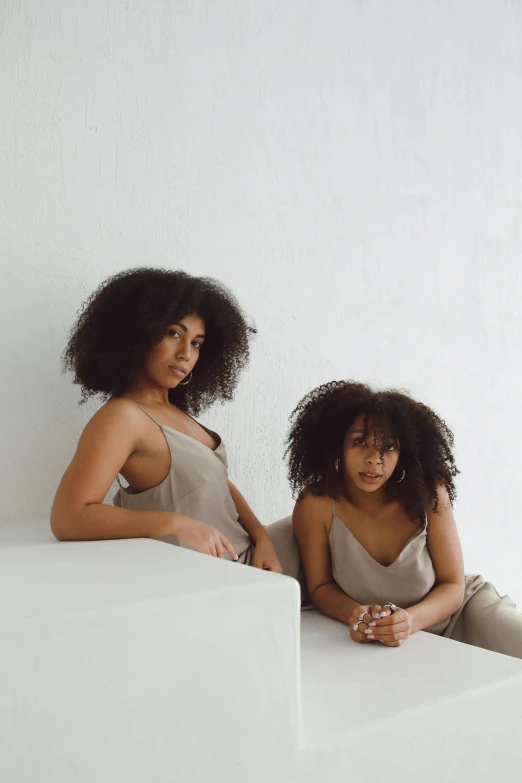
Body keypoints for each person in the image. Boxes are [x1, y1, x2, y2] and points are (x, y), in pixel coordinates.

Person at [51, 267, 287, 573]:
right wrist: (173, 523)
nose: (185, 354)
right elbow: (69, 517)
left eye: (197, 343)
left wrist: (263, 537)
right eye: (174, 333)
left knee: (320, 511)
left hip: (257, 556)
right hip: (226, 571)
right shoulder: (123, 417)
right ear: (137, 334)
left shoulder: (171, 410)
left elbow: (218, 483)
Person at [287, 380, 522, 658]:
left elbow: (453, 586)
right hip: (385, 637)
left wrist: (408, 622)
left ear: (404, 452)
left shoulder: (429, 495)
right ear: (338, 445)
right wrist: (357, 615)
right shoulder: (316, 504)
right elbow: (320, 587)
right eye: (360, 441)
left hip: (460, 616)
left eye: (388, 446)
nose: (375, 460)